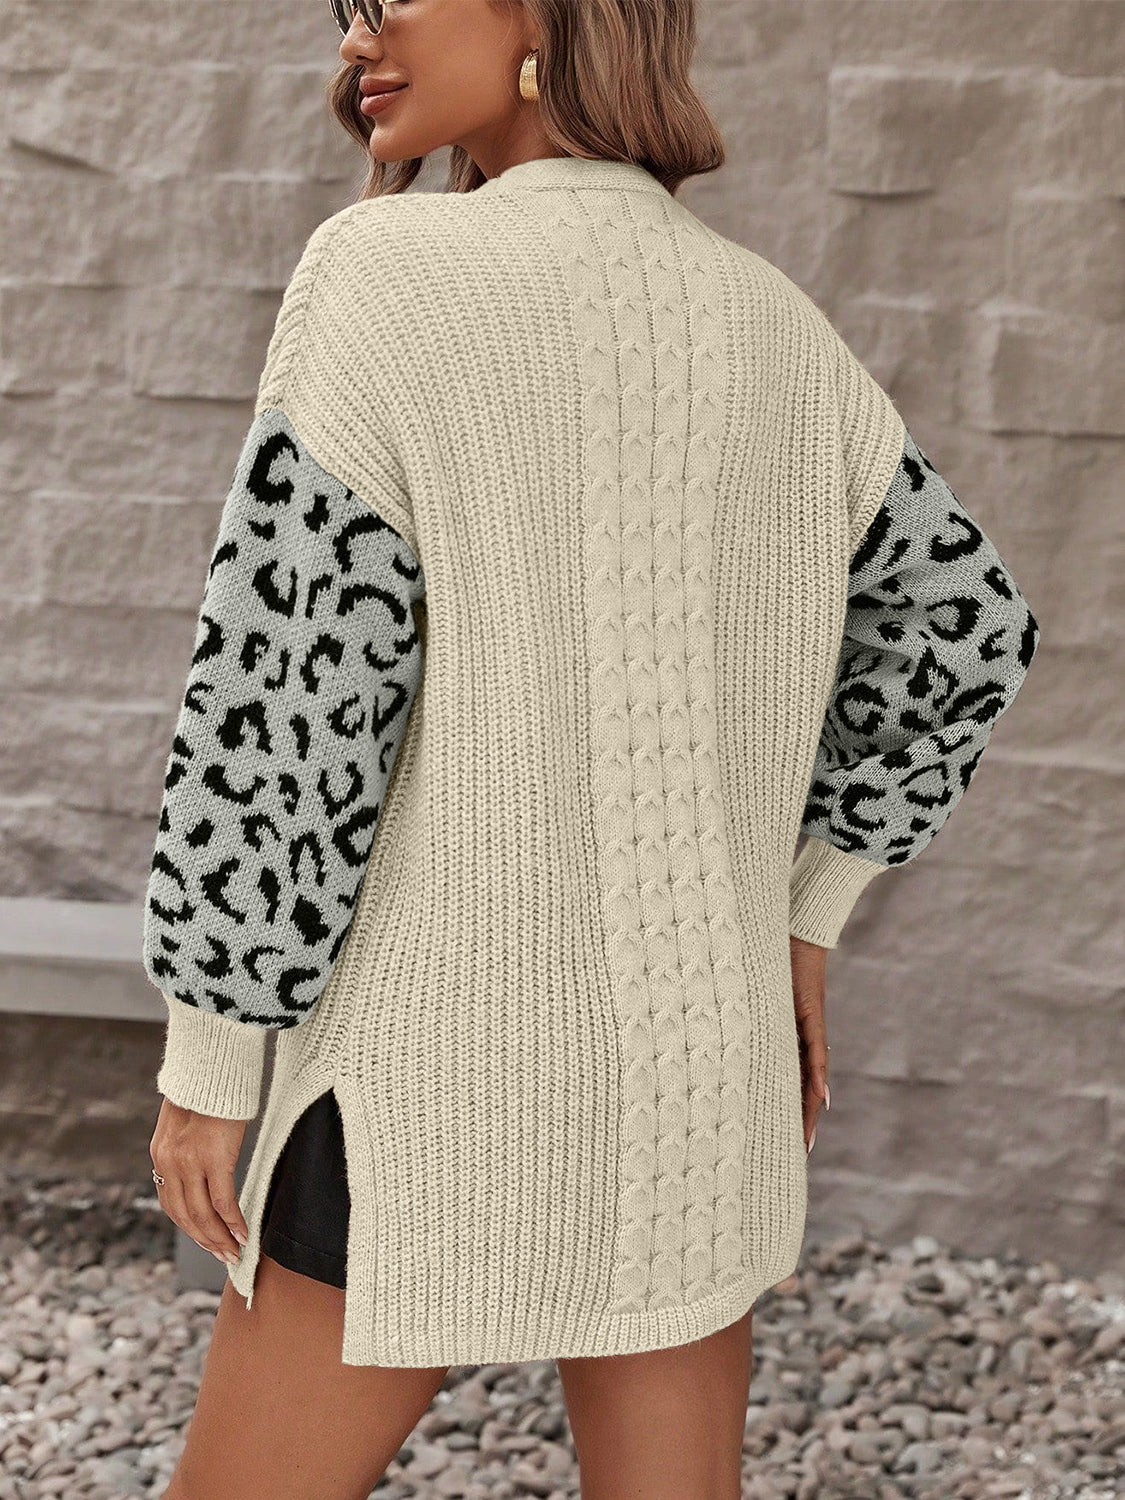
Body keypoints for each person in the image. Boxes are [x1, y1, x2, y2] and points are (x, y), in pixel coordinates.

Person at [142, 2, 1041, 1497]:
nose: (357, 37)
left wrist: (214, 1054)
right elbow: (966, 631)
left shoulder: (382, 274)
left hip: (428, 1079)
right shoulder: (766, 314)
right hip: (705, 1077)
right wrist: (801, 919)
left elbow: (286, 698)